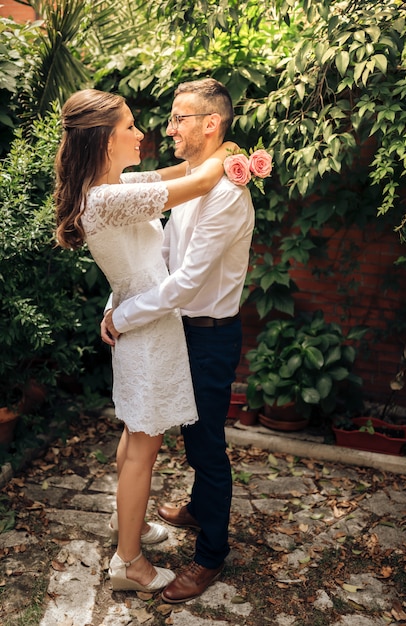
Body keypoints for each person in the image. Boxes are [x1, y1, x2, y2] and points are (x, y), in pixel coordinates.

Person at [54, 88, 237, 593]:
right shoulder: (111, 197)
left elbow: (177, 174)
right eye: (130, 127)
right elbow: (199, 178)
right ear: (104, 140)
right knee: (142, 448)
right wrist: (229, 150)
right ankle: (129, 563)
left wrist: (217, 146)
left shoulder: (111, 187)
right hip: (150, 332)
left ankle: (125, 528)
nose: (143, 134)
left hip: (139, 323)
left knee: (133, 440)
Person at [101, 78, 255, 603]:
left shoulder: (227, 194)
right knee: (189, 436)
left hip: (210, 336)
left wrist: (125, 315)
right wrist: (120, 304)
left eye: (179, 118)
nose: (169, 129)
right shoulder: (195, 180)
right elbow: (162, 254)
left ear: (211, 124)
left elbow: (187, 283)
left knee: (207, 445)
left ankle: (211, 555)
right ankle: (198, 508)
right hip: (179, 327)